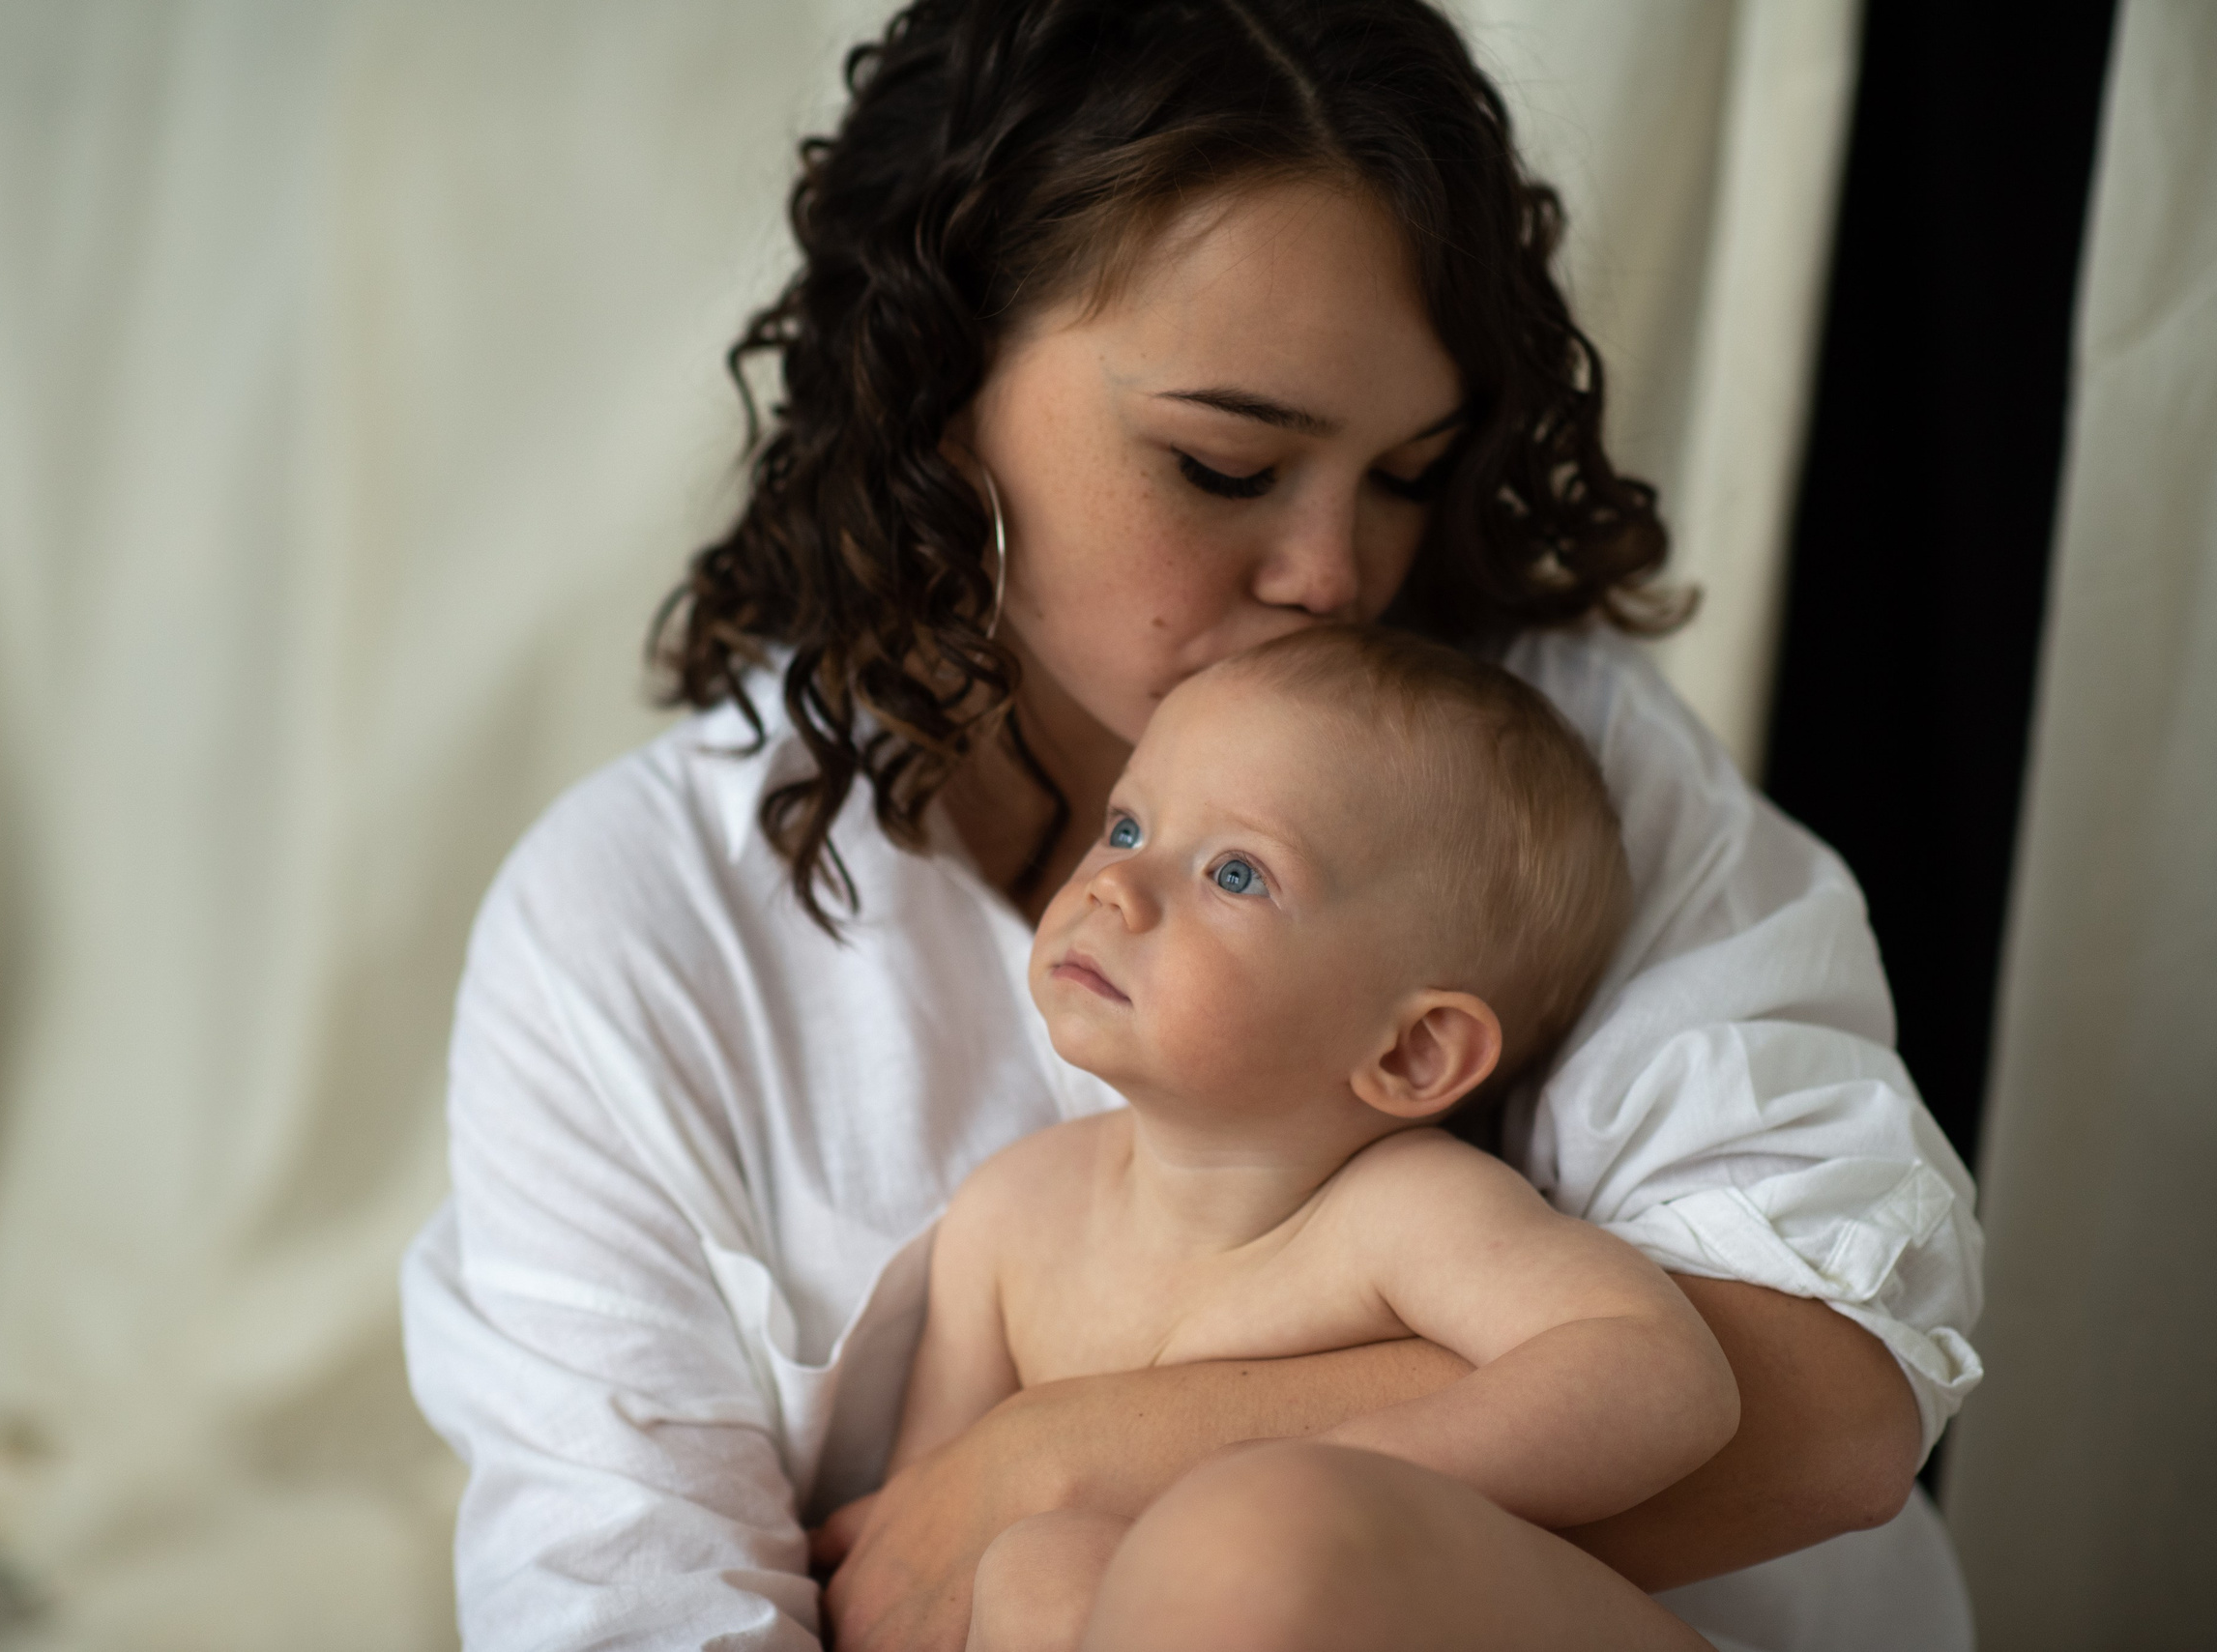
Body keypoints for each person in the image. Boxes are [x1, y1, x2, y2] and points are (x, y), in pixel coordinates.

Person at [399, 3, 1984, 1649]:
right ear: (939, 391)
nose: (1334, 576)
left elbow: (1829, 1398)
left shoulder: (1546, 773)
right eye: (1225, 466)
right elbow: (624, 1583)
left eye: (1405, 473)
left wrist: (1066, 1455)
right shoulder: (645, 918)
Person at [895, 625, 1736, 1652]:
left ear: (1413, 1050)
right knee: (1034, 1568)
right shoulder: (1009, 1216)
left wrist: (1344, 1473)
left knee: (1198, 1543)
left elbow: (1663, 1371)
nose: (1115, 883)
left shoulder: (1401, 1212)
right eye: (1126, 825)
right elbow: (919, 1547)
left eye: (1235, 873)